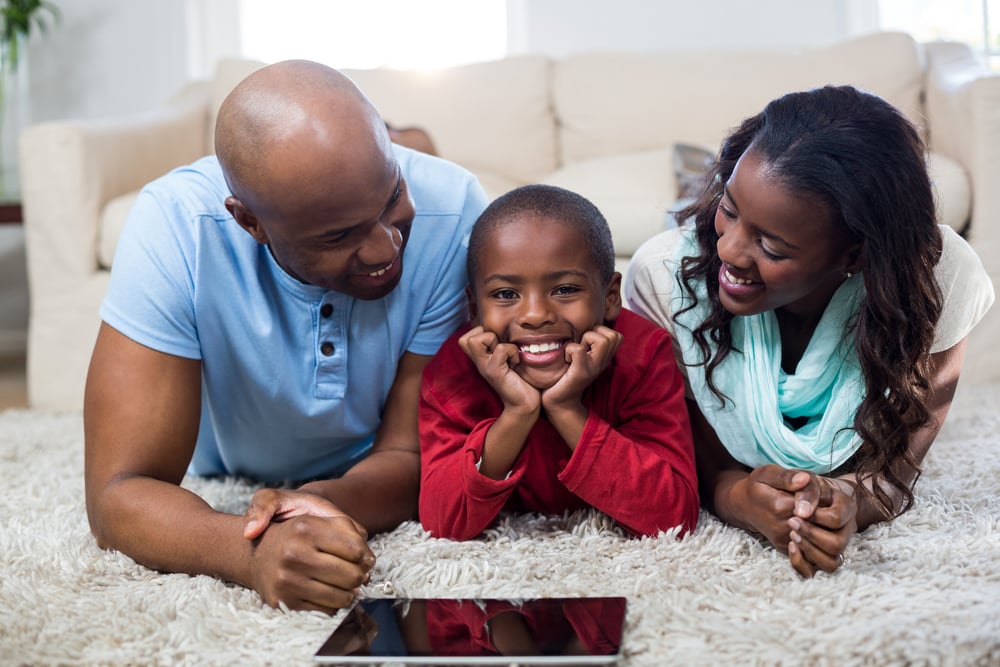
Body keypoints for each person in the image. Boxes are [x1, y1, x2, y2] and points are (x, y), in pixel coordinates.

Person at [83, 60, 488, 613]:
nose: (385, 248)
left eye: (392, 197)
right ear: (249, 222)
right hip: (225, 469)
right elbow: (118, 493)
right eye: (339, 235)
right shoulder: (175, 226)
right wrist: (246, 552)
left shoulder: (456, 211)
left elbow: (411, 452)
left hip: (372, 472)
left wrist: (312, 505)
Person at [625, 85, 995, 577]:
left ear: (856, 256)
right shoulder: (669, 281)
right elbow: (693, 461)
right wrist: (736, 497)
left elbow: (894, 474)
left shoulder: (937, 280)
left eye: (771, 246)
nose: (731, 251)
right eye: (730, 210)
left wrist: (845, 501)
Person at [419, 184, 698, 540]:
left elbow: (674, 517)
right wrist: (518, 412)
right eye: (506, 294)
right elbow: (442, 524)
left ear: (611, 296)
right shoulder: (452, 371)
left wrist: (566, 408)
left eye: (564, 289)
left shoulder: (643, 355)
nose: (535, 315)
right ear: (474, 309)